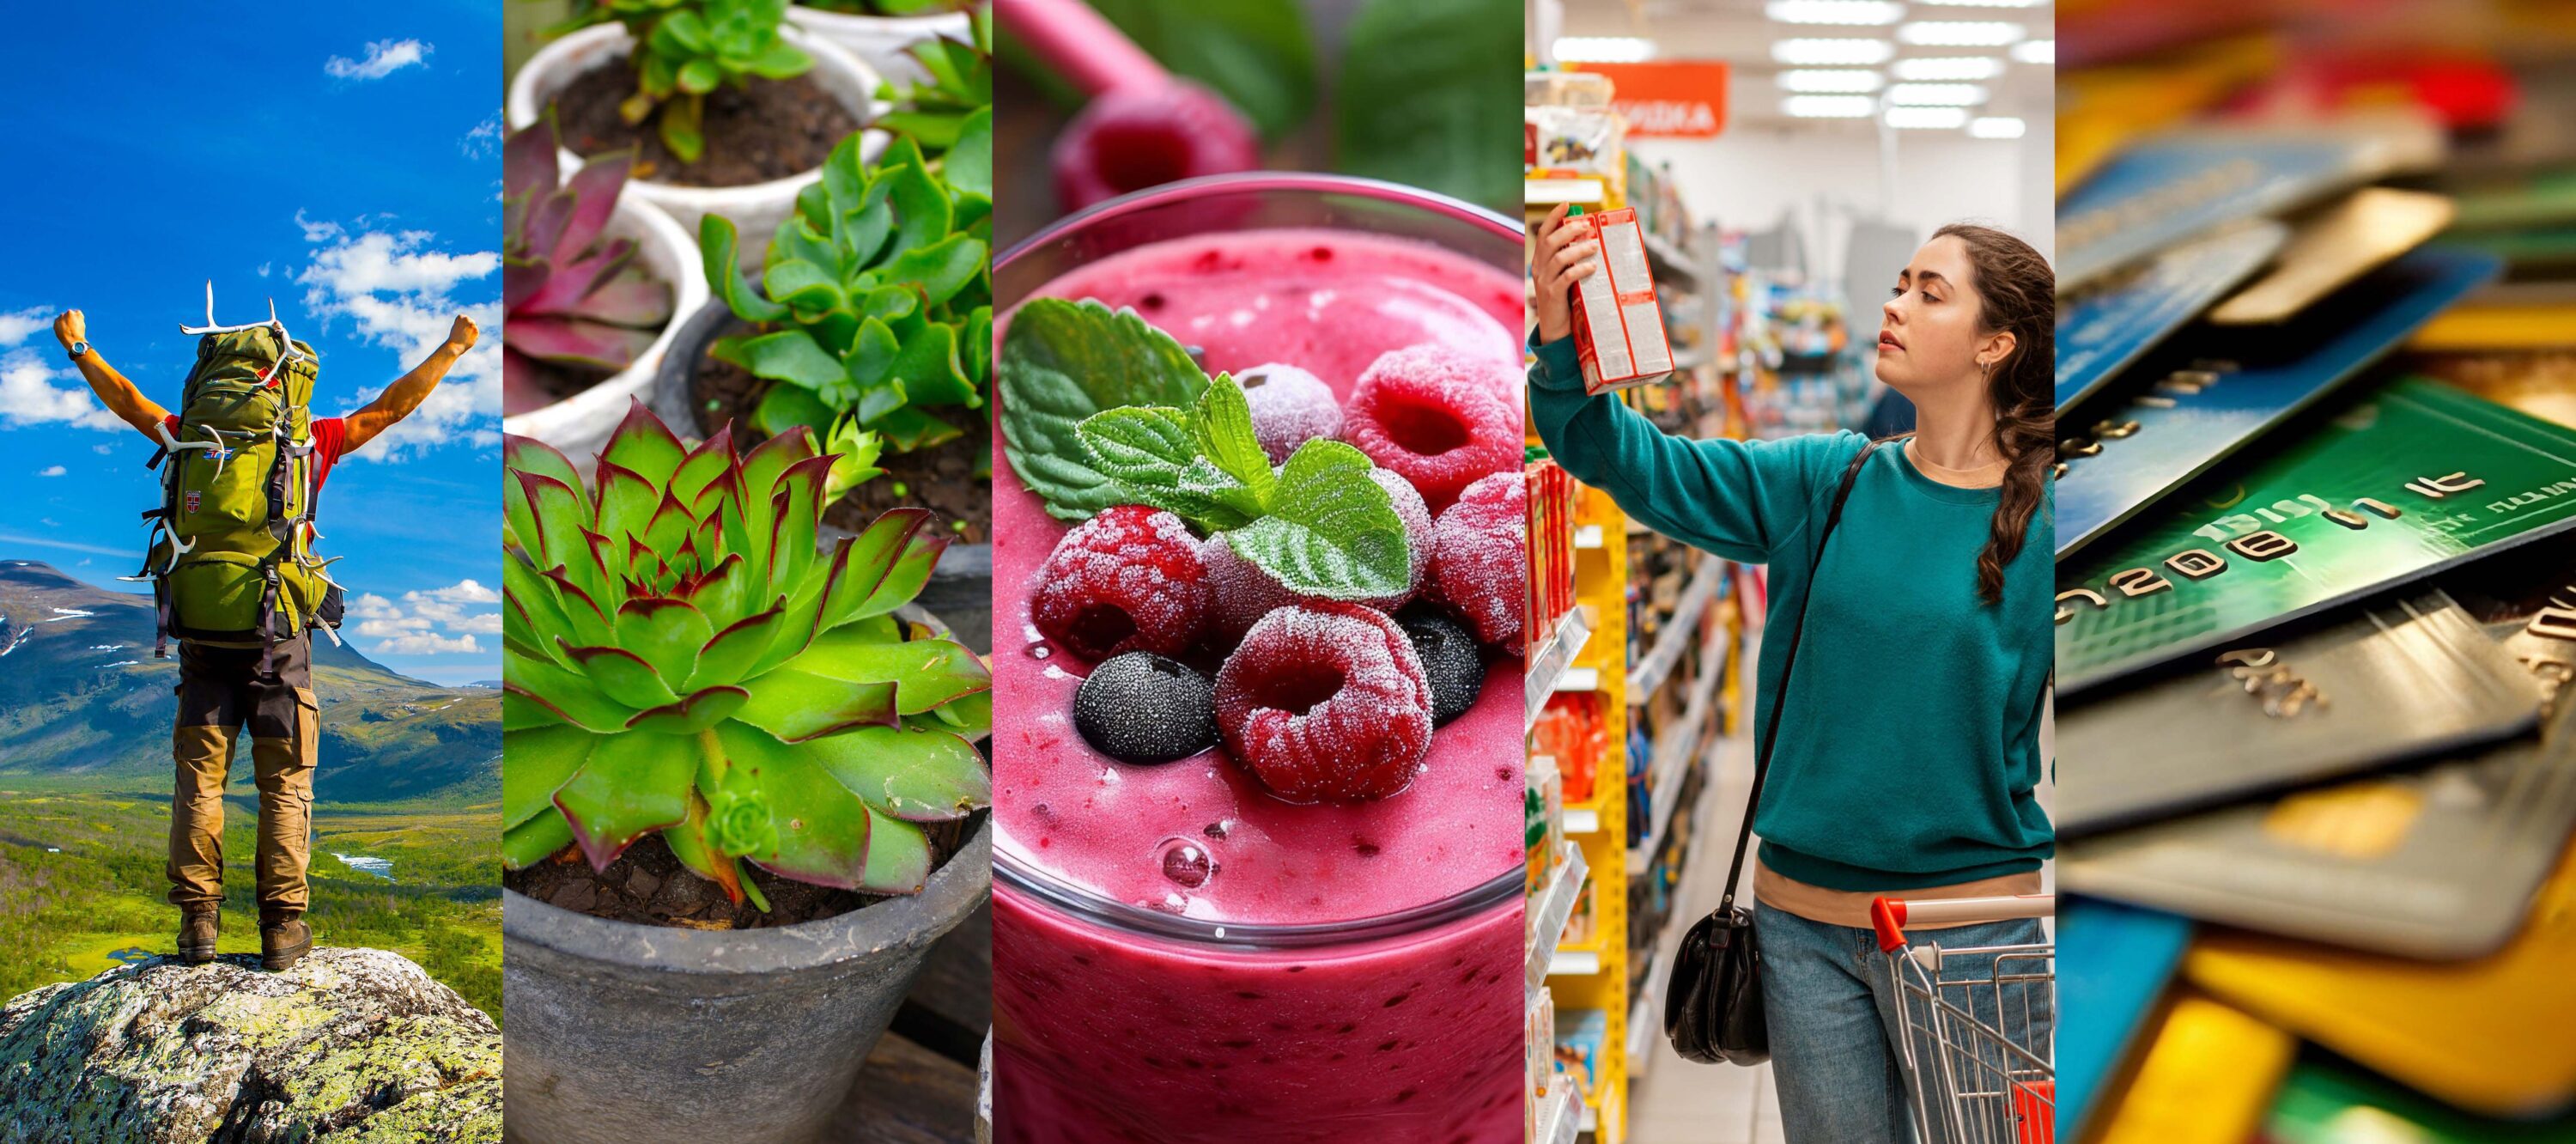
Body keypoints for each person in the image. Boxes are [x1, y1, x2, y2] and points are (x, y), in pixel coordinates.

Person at [1528, 207, 2053, 1143]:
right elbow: (1626, 459)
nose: (1894, 304)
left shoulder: (2051, 522)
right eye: (1898, 283)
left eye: (1930, 293)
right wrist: (1566, 343)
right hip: (1800, 928)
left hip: (1968, 932)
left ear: (1994, 345)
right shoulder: (1831, 480)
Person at [52, 306, 481, 972]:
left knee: (200, 778)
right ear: (285, 385)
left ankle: (198, 926)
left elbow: (129, 402)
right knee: (285, 782)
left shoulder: (188, 437)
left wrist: (79, 347)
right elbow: (390, 409)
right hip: (279, 639)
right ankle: (283, 928)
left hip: (200, 636)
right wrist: (453, 348)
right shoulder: (311, 442)